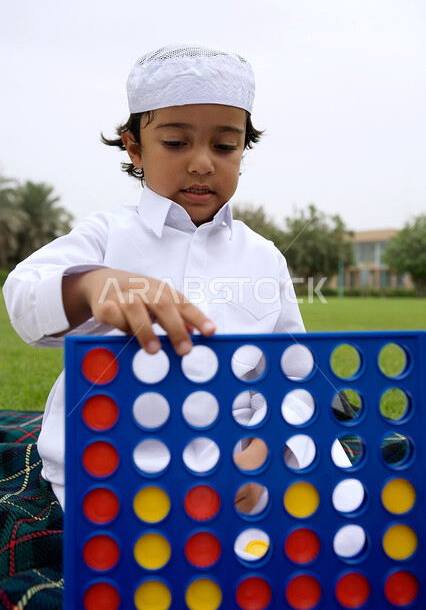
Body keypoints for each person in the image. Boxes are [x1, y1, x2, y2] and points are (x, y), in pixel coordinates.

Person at [3, 44, 309, 513]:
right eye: (176, 142)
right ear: (134, 146)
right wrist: (91, 285)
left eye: (225, 145)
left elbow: (295, 378)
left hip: (240, 474)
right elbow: (24, 299)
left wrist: (262, 457)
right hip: (109, 470)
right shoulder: (107, 234)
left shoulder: (264, 256)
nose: (203, 162)